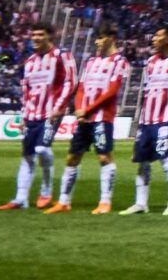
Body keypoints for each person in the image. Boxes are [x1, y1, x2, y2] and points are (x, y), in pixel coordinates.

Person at [123, 27, 168, 215]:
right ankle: (141, 203)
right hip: (147, 119)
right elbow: (147, 89)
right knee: (142, 160)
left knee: (165, 156)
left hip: (166, 118)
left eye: (158, 35)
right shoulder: (150, 61)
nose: (154, 38)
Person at [56, 31, 130, 214]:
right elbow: (81, 88)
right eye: (97, 38)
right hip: (84, 119)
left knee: (104, 157)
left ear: (111, 38)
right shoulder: (90, 61)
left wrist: (87, 109)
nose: (97, 42)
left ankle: (105, 202)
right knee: (72, 157)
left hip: (102, 118)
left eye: (101, 38)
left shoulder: (120, 62)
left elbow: (112, 91)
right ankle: (64, 202)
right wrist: (79, 110)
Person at [4, 28, 74, 211]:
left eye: (40, 35)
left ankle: (46, 190)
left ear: (50, 36)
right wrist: (23, 116)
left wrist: (59, 107)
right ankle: (21, 198)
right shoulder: (30, 61)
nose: (36, 38)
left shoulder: (61, 55)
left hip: (51, 113)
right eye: (33, 35)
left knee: (42, 149)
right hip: (31, 115)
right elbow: (26, 91)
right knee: (27, 155)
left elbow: (70, 82)